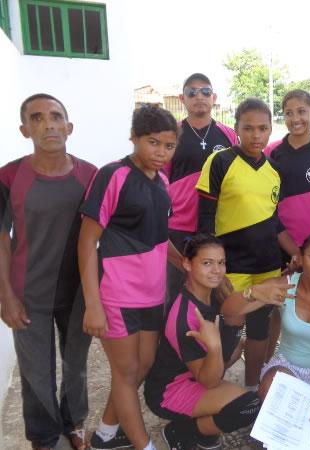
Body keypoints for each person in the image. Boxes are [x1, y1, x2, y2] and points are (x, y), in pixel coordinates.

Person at [79, 105, 181, 450]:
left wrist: (184, 264)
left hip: (154, 294)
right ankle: (144, 445)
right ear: (134, 138)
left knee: (142, 366)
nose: (161, 153)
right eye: (153, 143)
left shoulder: (164, 182)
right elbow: (87, 240)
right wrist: (92, 304)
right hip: (117, 295)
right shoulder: (113, 175)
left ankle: (106, 433)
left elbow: (157, 237)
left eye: (168, 146)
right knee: (125, 373)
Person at [0, 94, 96, 450]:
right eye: (37, 118)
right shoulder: (9, 176)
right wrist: (5, 296)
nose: (48, 124)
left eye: (56, 116)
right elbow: (2, 239)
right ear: (25, 129)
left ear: (69, 127)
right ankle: (43, 437)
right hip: (28, 294)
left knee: (76, 366)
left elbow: (101, 236)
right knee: (36, 373)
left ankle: (73, 424)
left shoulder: (91, 176)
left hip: (77, 294)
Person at [196, 98, 300, 389]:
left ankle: (252, 391)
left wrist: (296, 253)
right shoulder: (220, 162)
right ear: (236, 128)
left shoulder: (274, 171)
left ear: (271, 129)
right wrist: (214, 272)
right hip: (232, 264)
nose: (256, 135)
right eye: (249, 128)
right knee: (229, 324)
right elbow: (205, 222)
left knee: (260, 330)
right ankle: (211, 389)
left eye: (263, 128)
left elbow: (273, 221)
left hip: (266, 264)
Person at [221, 232, 310, 446]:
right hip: (286, 366)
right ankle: (272, 427)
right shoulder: (284, 286)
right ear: (300, 257)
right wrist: (252, 293)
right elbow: (229, 311)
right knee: (271, 387)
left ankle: (274, 432)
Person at [144, 234, 261, 449]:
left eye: (221, 263)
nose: (216, 270)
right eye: (207, 263)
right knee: (248, 406)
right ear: (187, 264)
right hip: (169, 391)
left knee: (233, 353)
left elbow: (229, 347)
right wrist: (215, 347)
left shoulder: (216, 293)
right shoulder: (184, 317)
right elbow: (210, 380)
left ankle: (202, 427)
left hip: (198, 374)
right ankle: (181, 431)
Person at [163, 73, 237, 306]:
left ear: (214, 97)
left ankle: (212, 340)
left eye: (205, 91)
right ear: (182, 99)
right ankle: (172, 340)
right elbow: (160, 180)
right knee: (175, 293)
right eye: (192, 92)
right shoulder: (171, 134)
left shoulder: (228, 135)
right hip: (179, 226)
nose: (199, 97)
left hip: (217, 225)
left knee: (214, 294)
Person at [264, 90, 310, 263]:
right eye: (289, 113)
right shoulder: (271, 152)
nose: (295, 119)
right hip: (280, 239)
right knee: (284, 289)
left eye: (301, 111)